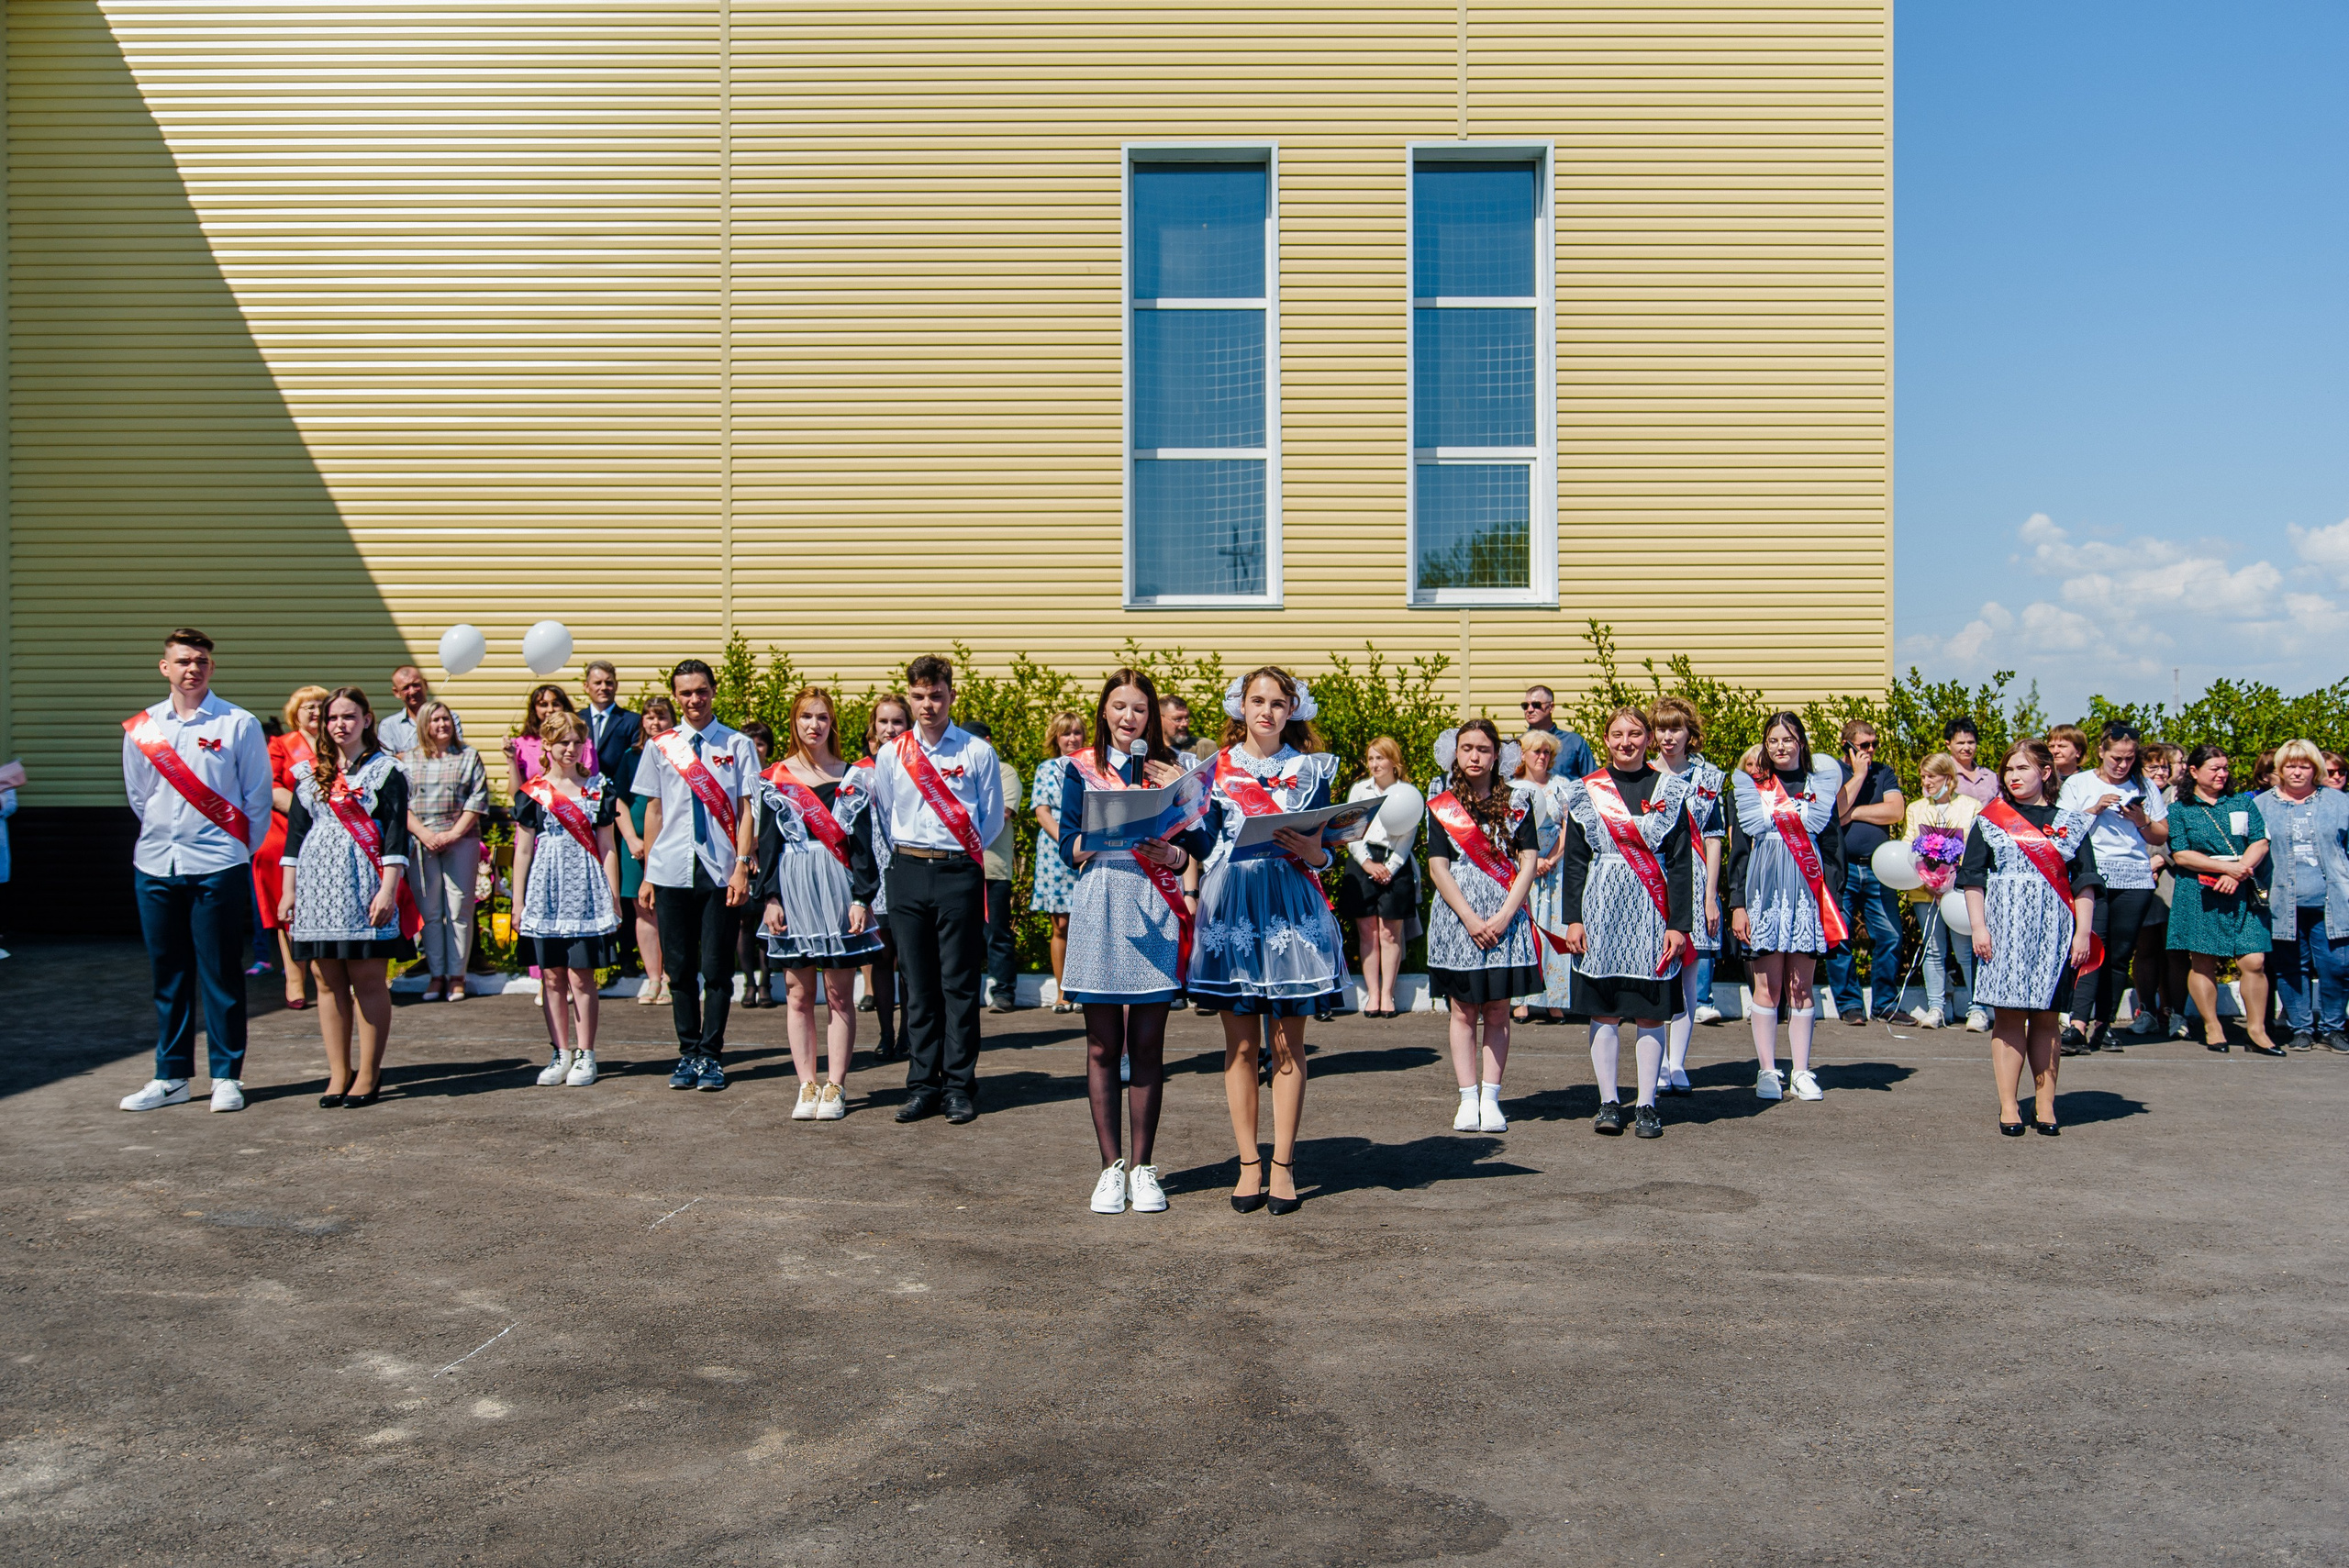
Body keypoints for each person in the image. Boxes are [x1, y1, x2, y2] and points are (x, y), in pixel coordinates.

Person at [1055, 670, 1215, 1213]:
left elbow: (1202, 843)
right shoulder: (1081, 769)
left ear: (1152, 718)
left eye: (1140, 709)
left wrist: (1175, 853)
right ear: (1104, 711)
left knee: (1147, 1045)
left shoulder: (1173, 771)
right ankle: (1110, 1169)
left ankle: (1145, 1167)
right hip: (1101, 899)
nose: (1129, 718)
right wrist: (1098, 837)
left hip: (1154, 900)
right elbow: (1066, 845)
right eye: (1119, 707)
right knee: (1102, 1045)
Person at [1192, 667, 1346, 1214]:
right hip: (1233, 904)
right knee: (1238, 1045)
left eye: (1278, 703)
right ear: (1240, 705)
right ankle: (1247, 1164)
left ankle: (1282, 1163)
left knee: (1288, 1044)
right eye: (1257, 701)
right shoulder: (1214, 770)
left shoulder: (1313, 769)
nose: (1266, 712)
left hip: (1289, 906)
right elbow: (1202, 840)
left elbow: (1326, 847)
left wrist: (1317, 855)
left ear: (1292, 710)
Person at [117, 628, 274, 1115]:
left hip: (217, 866)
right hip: (156, 864)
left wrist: (231, 851)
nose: (193, 668)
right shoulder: (143, 728)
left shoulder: (238, 723)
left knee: (222, 972)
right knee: (168, 973)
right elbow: (140, 798)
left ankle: (227, 1075)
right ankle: (171, 1077)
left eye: (201, 661)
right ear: (164, 667)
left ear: (211, 668)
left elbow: (258, 799)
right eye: (183, 660)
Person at [867, 655, 1004, 1125]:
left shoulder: (976, 752)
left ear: (951, 695)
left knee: (959, 983)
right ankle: (923, 1085)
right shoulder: (891, 754)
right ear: (911, 696)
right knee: (918, 985)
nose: (928, 705)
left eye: (937, 695)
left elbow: (988, 818)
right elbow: (885, 815)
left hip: (957, 871)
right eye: (920, 696)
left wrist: (954, 854)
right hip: (907, 870)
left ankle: (960, 1086)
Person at [1560, 706, 1697, 1139]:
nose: (1626, 742)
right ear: (1605, 738)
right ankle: (1607, 1102)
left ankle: (1647, 1106)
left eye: (1635, 734)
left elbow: (1679, 862)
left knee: (1650, 1012)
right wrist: (1573, 920)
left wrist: (1679, 924)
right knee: (1604, 1010)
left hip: (1652, 911)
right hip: (1601, 906)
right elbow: (1576, 861)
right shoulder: (1587, 790)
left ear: (1648, 738)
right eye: (1617, 734)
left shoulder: (1670, 789)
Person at [279, 686, 417, 1108]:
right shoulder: (310, 773)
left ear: (367, 720)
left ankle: (369, 1073)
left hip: (364, 884)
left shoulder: (385, 771)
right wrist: (288, 890)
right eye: (333, 717)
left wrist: (388, 888)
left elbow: (396, 836)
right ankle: (339, 1072)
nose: (340, 725)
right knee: (325, 979)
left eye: (349, 717)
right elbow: (296, 837)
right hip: (318, 888)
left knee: (367, 978)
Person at [1959, 737, 2100, 1136]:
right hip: (2003, 930)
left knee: (2046, 1017)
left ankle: (2045, 1104)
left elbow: (2085, 882)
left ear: (2045, 771)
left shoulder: (2070, 823)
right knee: (2007, 1016)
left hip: (2055, 932)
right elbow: (1972, 878)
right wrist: (1979, 926)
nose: (2013, 776)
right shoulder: (1991, 818)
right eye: (2008, 769)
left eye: (2022, 768)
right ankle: (2009, 1106)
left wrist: (2083, 933)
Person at [756, 685, 885, 1119]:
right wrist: (770, 897)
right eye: (806, 717)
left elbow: (863, 846)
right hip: (792, 887)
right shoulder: (776, 777)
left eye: (822, 717)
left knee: (839, 993)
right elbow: (768, 845)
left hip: (838, 886)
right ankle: (806, 1084)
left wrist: (861, 897)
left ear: (833, 724)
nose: (814, 725)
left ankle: (836, 1086)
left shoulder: (852, 777)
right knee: (797, 992)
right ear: (794, 723)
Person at [633, 659, 762, 1091]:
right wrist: (649, 873)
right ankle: (688, 1054)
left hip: (720, 870)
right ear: (676, 696)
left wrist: (742, 867)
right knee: (681, 969)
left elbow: (748, 811)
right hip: (671, 868)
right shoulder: (661, 745)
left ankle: (712, 1055)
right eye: (685, 693)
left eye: (701, 690)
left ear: (713, 691)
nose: (694, 700)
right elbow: (653, 811)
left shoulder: (738, 744)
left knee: (716, 969)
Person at [1422, 717, 1542, 1135]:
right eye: (1467, 748)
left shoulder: (1519, 802)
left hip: (1505, 916)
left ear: (1498, 755)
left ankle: (1491, 1098)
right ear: (1455, 753)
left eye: (1484, 749)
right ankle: (1466, 1098)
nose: (1475, 756)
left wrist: (1507, 913)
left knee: (1497, 1010)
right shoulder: (1441, 804)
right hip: (1459, 919)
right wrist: (1471, 919)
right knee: (1461, 1010)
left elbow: (1528, 861)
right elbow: (1438, 867)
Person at [1726, 711, 1843, 1102]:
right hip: (1764, 895)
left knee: (1802, 987)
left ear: (1801, 743)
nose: (1780, 747)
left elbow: (1832, 849)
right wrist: (1738, 903)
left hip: (1807, 895)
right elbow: (1738, 852)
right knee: (1767, 986)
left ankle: (1803, 1070)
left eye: (1788, 739)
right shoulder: (1750, 787)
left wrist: (1834, 902)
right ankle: (1766, 1071)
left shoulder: (1820, 786)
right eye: (1773, 740)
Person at [511, 711, 621, 1086]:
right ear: (547, 745)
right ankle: (559, 1052)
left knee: (581, 975)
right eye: (563, 742)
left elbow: (607, 847)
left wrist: (612, 895)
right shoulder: (533, 792)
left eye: (577, 741)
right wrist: (517, 902)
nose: (571, 749)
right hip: (546, 891)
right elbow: (523, 850)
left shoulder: (598, 787)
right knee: (552, 977)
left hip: (586, 891)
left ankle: (586, 1054)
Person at [2054, 722, 2170, 1054]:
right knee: (2090, 947)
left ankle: (2104, 1026)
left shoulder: (2145, 786)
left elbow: (2160, 835)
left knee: (2119, 956)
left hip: (2135, 875)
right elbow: (2061, 829)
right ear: (2102, 752)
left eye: (2129, 759)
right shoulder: (2079, 783)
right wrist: (2095, 809)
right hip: (2093, 874)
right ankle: (2077, 1024)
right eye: (2116, 758)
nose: (2122, 765)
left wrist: (2140, 819)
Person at [2165, 746, 2278, 1054]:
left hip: (2242, 886)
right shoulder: (2180, 809)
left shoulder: (2242, 802)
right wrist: (2225, 868)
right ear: (2193, 771)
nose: (2222, 774)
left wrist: (2238, 872)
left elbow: (2260, 840)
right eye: (2214, 768)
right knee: (2203, 961)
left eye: (2225, 768)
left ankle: (2257, 1031)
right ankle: (2213, 1027)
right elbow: (2181, 853)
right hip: (2200, 890)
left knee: (2254, 960)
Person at [2254, 739, 2349, 1051]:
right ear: (2280, 769)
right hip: (2282, 902)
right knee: (2291, 968)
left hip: (2332, 900)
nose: (2297, 772)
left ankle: (2334, 1027)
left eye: (2304, 765)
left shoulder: (2338, 802)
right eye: (2291, 766)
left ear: (2315, 769)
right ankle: (2301, 1028)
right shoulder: (2262, 805)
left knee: (2336, 967)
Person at [1653, 695, 1727, 1088]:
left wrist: (1710, 895)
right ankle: (1651, 1063)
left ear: (1689, 733)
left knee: (1688, 974)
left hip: (1695, 880)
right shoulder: (1643, 773)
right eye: (1661, 728)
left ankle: (1676, 1063)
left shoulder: (1708, 779)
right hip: (1650, 879)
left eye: (1675, 728)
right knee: (1653, 973)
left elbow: (1714, 839)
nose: (1668, 736)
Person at [839, 694, 913, 1062]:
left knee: (911, 962)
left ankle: (910, 1035)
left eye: (897, 722)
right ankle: (886, 1033)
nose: (889, 729)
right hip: (875, 875)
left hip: (911, 869)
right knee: (882, 960)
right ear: (873, 727)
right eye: (883, 722)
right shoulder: (858, 771)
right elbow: (844, 827)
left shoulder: (920, 765)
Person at [401, 700, 487, 1002]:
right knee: (431, 912)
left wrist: (453, 833)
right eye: (435, 720)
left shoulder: (468, 756)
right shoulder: (408, 760)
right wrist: (425, 834)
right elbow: (401, 805)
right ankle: (436, 975)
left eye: (446, 719)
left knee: (460, 908)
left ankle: (457, 977)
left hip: (460, 840)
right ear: (424, 725)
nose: (442, 725)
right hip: (421, 841)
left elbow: (477, 800)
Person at [1824, 720, 1908, 1023]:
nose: (1871, 751)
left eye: (1874, 744)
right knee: (1839, 937)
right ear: (1846, 745)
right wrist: (1858, 776)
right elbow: (1834, 811)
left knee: (1889, 936)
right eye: (1863, 746)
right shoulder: (1832, 771)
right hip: (1841, 870)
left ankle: (1885, 1003)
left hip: (1879, 869)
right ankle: (1850, 1006)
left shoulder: (1883, 772)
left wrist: (1855, 812)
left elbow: (1896, 811)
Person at [254, 685, 327, 1010]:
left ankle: (325, 971)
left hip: (330, 832)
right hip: (286, 831)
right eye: (307, 707)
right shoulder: (281, 744)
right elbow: (269, 786)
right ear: (293, 713)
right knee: (290, 910)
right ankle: (294, 978)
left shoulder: (336, 743)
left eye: (320, 706)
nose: (315, 712)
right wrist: (306, 811)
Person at [1340, 736, 1422, 1019]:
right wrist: (1366, 863)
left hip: (1394, 865)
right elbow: (1350, 829)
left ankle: (1388, 993)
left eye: (1380, 758)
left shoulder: (1408, 792)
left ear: (1394, 762)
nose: (1375, 764)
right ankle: (1372, 994)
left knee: (1390, 932)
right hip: (1362, 863)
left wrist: (1391, 866)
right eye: (1371, 758)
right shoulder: (1359, 790)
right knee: (1368, 932)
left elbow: (1407, 834)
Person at [1901, 753, 1983, 1031]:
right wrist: (1927, 879)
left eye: (1932, 777)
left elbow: (1974, 850)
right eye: (1923, 777)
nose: (1926, 782)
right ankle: (1936, 1007)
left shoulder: (1971, 806)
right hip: (1925, 891)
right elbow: (1908, 845)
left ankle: (1977, 1008)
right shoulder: (1915, 808)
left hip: (1959, 893)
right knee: (1933, 950)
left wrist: (1951, 879)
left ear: (1948, 778)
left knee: (1965, 951)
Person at [960, 718, 1024, 1013]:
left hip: (993, 868)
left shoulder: (1004, 771)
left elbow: (1004, 811)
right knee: (962, 937)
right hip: (960, 868)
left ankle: (1004, 991)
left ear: (987, 740)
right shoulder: (956, 770)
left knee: (997, 933)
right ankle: (965, 992)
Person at [616, 695, 674, 1006]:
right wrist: (631, 839)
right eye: (649, 717)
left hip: (671, 844)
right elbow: (619, 800)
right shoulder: (632, 755)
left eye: (661, 716)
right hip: (636, 846)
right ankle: (652, 978)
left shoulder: (683, 755)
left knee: (669, 910)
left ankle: (670, 978)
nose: (655, 723)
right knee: (643, 910)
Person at [1509, 733, 1571, 1025]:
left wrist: (1551, 860)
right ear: (1523, 754)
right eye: (1536, 751)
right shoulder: (1511, 787)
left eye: (1547, 752)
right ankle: (1520, 999)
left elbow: (1569, 827)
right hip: (1522, 868)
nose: (1542, 757)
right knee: (1524, 930)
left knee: (1553, 929)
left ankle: (1554, 999)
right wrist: (1530, 862)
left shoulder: (1562, 786)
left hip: (1554, 871)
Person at [2128, 742, 2187, 1040]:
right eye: (2153, 767)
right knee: (2146, 949)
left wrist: (2161, 856)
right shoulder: (2133, 797)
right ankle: (2146, 1011)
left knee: (2175, 951)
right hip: (2140, 882)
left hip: (2173, 884)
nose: (2160, 772)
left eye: (2165, 766)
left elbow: (2182, 839)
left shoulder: (2179, 798)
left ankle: (2177, 1013)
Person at [1029, 711, 1086, 1010]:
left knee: (1087, 923)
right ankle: (1063, 992)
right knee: (1061, 925)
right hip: (1056, 852)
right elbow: (1042, 812)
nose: (1072, 738)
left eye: (1077, 732)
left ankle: (1084, 990)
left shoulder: (1091, 765)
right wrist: (1066, 840)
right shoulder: (1046, 768)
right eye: (1066, 733)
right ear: (1056, 737)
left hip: (1088, 849)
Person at [735, 719, 778, 1008]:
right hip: (741, 860)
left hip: (768, 860)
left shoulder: (775, 778)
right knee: (744, 925)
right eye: (749, 743)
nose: (755, 749)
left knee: (768, 923)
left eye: (760, 743)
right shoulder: (734, 780)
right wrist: (744, 853)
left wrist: (761, 850)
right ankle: (749, 982)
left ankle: (765, 983)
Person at [507, 683, 596, 797]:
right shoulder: (521, 744)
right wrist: (512, 758)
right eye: (543, 705)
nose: (550, 709)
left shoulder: (583, 743)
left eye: (556, 704)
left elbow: (592, 784)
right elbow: (516, 795)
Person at [581, 660, 642, 789]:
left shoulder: (632, 721)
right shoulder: (576, 720)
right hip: (582, 792)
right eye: (597, 683)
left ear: (616, 686)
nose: (603, 688)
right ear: (586, 687)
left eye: (608, 683)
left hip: (619, 794)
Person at [375, 664, 461, 756]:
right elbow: (387, 763)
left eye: (416, 685)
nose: (412, 691)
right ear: (396, 692)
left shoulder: (448, 719)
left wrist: (404, 757)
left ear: (425, 684)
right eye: (406, 688)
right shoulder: (389, 726)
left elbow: (456, 753)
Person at [1516, 684, 1597, 779]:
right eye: (1525, 706)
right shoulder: (1517, 745)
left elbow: (1593, 781)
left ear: (1551, 707)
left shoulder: (1574, 742)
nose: (1529, 710)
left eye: (1536, 705)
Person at [1948, 717, 2000, 805]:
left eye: (1971, 742)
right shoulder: (1941, 775)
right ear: (1948, 744)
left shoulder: (1990, 777)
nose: (1966, 748)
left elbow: (2000, 807)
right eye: (1961, 743)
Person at [2046, 724, 2087, 790]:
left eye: (2062, 746)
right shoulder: (2042, 782)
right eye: (2051, 746)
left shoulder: (2088, 783)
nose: (2055, 751)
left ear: (2078, 751)